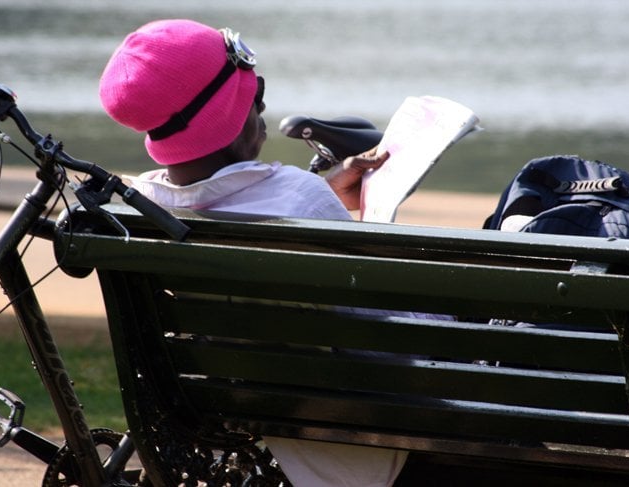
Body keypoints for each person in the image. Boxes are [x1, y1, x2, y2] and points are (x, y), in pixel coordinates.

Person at [99, 19, 406, 487]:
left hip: (230, 431)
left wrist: (322, 197)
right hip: (358, 450)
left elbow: (233, 203)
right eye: (253, 96)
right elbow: (381, 322)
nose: (260, 106)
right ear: (232, 113)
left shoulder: (141, 210)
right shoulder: (297, 199)